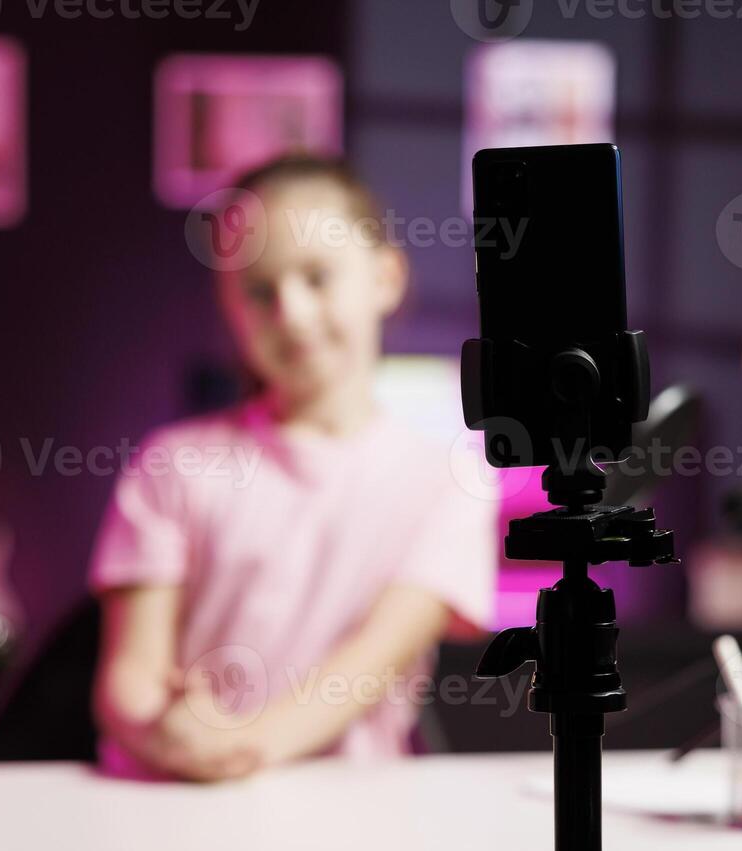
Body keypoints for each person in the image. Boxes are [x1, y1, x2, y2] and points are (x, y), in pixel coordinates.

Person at [90, 156, 496, 782]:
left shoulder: (449, 480)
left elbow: (372, 663)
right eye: (259, 290)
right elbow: (131, 673)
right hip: (173, 801)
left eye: (317, 277)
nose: (293, 313)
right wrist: (161, 728)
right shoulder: (174, 465)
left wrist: (238, 747)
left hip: (349, 818)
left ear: (385, 278)